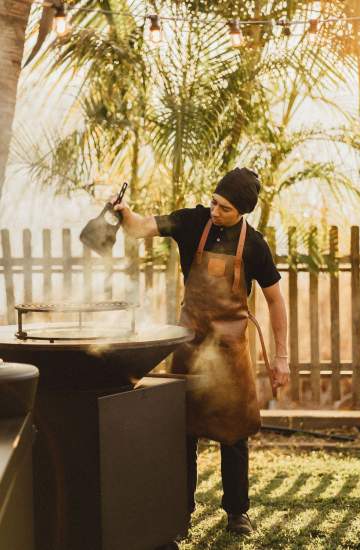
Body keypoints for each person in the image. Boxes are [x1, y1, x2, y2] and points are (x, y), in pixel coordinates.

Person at [113, 167, 289, 537]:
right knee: (183, 432)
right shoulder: (192, 222)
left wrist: (282, 357)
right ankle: (181, 512)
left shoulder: (254, 245)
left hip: (231, 351)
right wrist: (123, 212)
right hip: (191, 347)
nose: (214, 210)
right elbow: (142, 226)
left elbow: (275, 301)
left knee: (235, 435)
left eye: (223, 207)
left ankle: (237, 513)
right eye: (213, 201)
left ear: (241, 211)